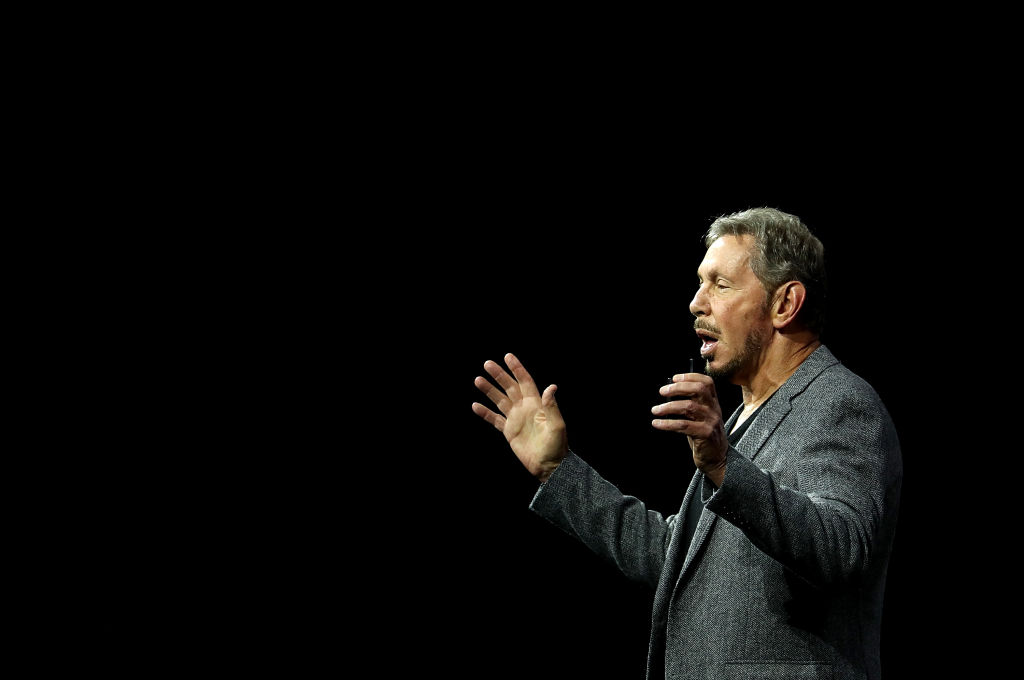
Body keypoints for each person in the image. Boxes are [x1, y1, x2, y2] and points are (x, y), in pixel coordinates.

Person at [471, 207, 902, 680]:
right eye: (700, 283)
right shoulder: (744, 419)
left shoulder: (839, 401)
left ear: (785, 304)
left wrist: (722, 465)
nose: (697, 303)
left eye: (721, 284)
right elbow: (677, 557)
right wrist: (558, 469)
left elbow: (841, 547)